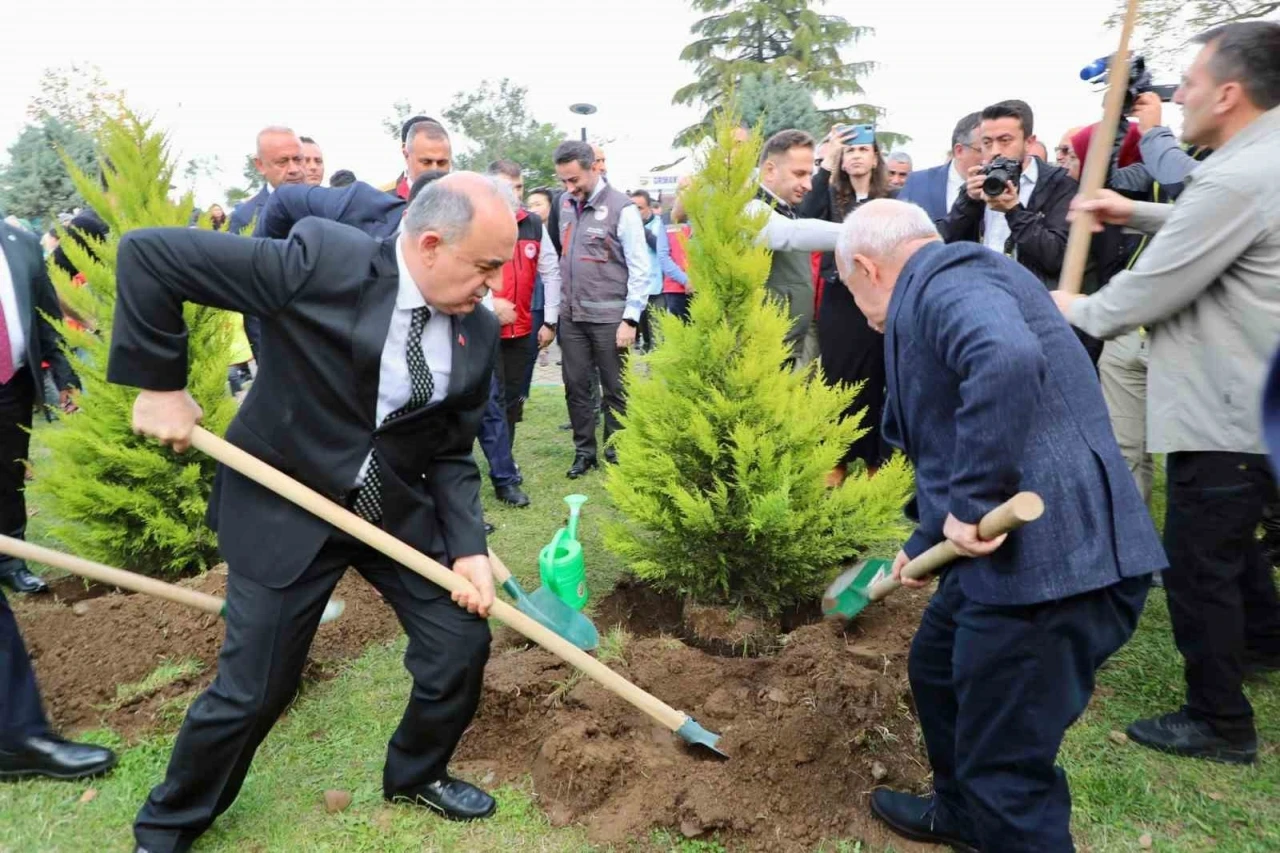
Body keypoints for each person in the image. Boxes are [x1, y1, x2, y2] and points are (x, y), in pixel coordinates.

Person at [115, 174, 511, 852]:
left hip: (388, 509)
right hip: (285, 502)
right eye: (485, 265)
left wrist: (469, 547)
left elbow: (449, 451)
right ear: (431, 245)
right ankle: (168, 823)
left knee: (458, 641)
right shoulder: (325, 263)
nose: (494, 285)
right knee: (255, 689)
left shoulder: (474, 328)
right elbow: (152, 254)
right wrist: (160, 385)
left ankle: (417, 772)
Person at [838, 200, 1163, 852]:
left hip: (1057, 570)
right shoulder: (952, 284)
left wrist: (975, 497)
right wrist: (925, 539)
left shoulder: (948, 277)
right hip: (1014, 562)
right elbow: (949, 429)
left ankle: (994, 814)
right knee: (935, 662)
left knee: (1005, 769)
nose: (864, 314)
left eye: (852, 292)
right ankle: (960, 812)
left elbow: (1006, 358)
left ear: (868, 268)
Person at [1053, 21, 1280, 765]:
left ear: (1229, 93)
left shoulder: (1238, 174)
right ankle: (1262, 642)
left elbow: (1150, 290)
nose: (1177, 96)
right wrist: (1137, 211)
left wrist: (1075, 310)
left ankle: (1219, 720)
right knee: (1234, 542)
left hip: (1224, 402)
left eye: (1190, 82)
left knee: (1198, 562)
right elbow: (1217, 219)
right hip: (1254, 400)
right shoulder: (1261, 161)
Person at [799, 125, 894, 482]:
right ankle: (835, 459)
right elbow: (804, 215)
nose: (856, 156)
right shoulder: (829, 194)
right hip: (839, 298)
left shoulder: (891, 198)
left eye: (863, 150)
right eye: (849, 151)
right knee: (836, 376)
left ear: (875, 158)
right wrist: (825, 161)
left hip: (879, 295)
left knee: (876, 377)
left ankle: (874, 459)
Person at [552, 141, 650, 479]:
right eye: (563, 180)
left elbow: (640, 269)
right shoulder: (564, 203)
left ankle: (616, 449)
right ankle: (584, 452)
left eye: (574, 179)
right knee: (576, 387)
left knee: (615, 389)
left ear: (594, 167)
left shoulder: (622, 208)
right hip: (572, 317)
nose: (569, 187)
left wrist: (631, 319)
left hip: (611, 319)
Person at [0, 220, 80, 594]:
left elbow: (48, 318)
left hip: (12, 383)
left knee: (9, 474)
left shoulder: (23, 243)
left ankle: (10, 562)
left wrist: (66, 378)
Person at [939, 100, 1076, 289]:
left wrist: (1014, 211)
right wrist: (968, 202)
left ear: (1028, 142)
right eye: (987, 143)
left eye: (1005, 141)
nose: (995, 151)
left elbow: (1056, 257)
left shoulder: (1059, 184)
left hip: (1032, 297)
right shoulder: (977, 183)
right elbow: (942, 244)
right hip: (979, 294)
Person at [748, 129, 843, 366]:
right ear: (770, 170)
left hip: (790, 349)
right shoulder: (751, 208)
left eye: (810, 175)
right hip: (763, 355)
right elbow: (790, 234)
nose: (808, 185)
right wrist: (863, 232)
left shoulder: (786, 207)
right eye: (799, 174)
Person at [485, 161, 560, 443]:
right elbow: (462, 270)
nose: (516, 194)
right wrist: (490, 305)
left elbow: (551, 272)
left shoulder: (533, 224)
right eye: (509, 187)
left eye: (519, 187)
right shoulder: (475, 222)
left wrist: (550, 321)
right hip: (483, 330)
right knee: (484, 399)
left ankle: (506, 460)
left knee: (512, 398)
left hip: (522, 330)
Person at [898, 112, 982, 226]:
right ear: (959, 151)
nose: (993, 153)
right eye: (984, 148)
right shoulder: (918, 183)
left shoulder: (1004, 187)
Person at [227, 126, 306, 234]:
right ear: (260, 165)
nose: (294, 169)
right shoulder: (245, 217)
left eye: (298, 159)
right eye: (282, 162)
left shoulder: (323, 204)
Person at [630, 189, 667, 353]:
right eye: (632, 208)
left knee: (657, 336)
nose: (635, 212)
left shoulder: (659, 225)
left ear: (649, 208)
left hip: (656, 289)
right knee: (644, 337)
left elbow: (661, 249)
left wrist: (643, 231)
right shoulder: (626, 226)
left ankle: (656, 367)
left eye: (639, 208)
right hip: (636, 289)